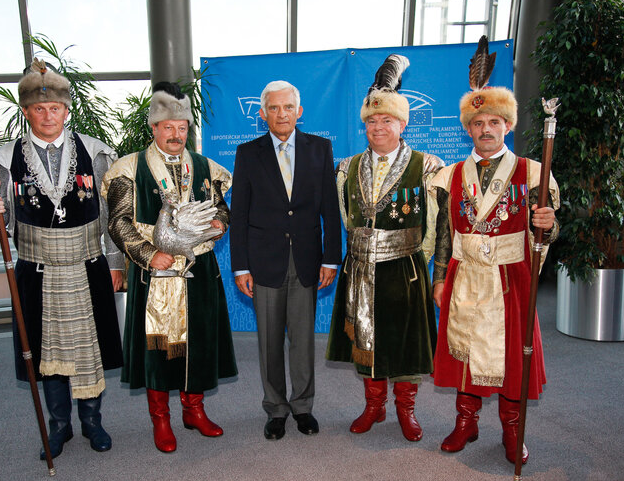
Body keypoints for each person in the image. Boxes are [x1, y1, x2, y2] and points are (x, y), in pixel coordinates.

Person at [0, 59, 123, 460]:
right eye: (39, 109)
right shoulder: (4, 159)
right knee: (46, 353)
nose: (48, 115)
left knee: (89, 348)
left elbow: (111, 214)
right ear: (26, 111)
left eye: (55, 108)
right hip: (35, 270)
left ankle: (92, 422)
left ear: (66, 110)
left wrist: (116, 263)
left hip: (88, 265)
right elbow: (3, 224)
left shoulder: (96, 153)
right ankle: (59, 426)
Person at [429, 39, 560, 465]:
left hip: (510, 277)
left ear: (507, 125)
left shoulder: (533, 172)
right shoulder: (451, 175)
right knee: (464, 348)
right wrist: (439, 278)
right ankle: (466, 423)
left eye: (494, 122)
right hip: (464, 273)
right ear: (468, 128)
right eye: (477, 122)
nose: (485, 130)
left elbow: (551, 228)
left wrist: (548, 226)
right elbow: (445, 232)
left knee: (511, 357)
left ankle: (511, 430)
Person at [102, 81, 237, 453]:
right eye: (168, 128)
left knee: (199, 344)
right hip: (156, 275)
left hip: (199, 273)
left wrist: (221, 222)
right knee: (157, 350)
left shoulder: (206, 166)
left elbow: (222, 206)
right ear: (154, 128)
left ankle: (194, 410)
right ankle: (160, 419)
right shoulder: (130, 169)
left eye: (182, 128)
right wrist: (148, 254)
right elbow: (118, 222)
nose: (176, 135)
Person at [326, 54, 443, 441]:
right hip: (360, 267)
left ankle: (405, 410)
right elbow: (345, 219)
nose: (378, 127)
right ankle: (373, 406)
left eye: (387, 120)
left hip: (405, 269)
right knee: (365, 339)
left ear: (402, 124)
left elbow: (437, 225)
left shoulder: (427, 166)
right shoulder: (346, 167)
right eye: (372, 121)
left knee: (405, 344)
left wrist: (416, 260)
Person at [230, 80, 342, 440]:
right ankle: (276, 409)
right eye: (274, 108)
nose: (282, 114)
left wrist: (330, 259)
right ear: (263, 114)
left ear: (300, 111)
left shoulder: (320, 149)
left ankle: (303, 406)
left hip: (308, 260)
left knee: (303, 340)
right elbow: (240, 214)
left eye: (288, 107)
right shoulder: (248, 153)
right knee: (268, 341)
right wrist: (241, 266)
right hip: (264, 262)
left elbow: (330, 208)